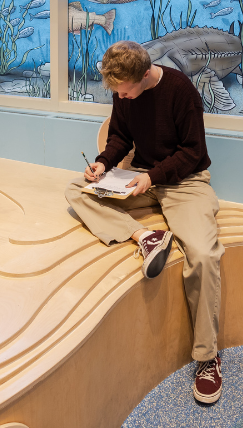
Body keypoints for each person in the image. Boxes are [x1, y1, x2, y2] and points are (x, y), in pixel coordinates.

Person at [64, 40, 225, 404]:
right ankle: (144, 235)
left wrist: (154, 177)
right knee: (75, 191)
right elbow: (121, 136)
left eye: (124, 91)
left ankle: (207, 357)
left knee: (202, 255)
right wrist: (104, 163)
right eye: (116, 92)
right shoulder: (125, 93)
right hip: (138, 177)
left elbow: (194, 152)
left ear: (145, 75)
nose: (120, 96)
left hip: (184, 181)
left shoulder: (181, 91)